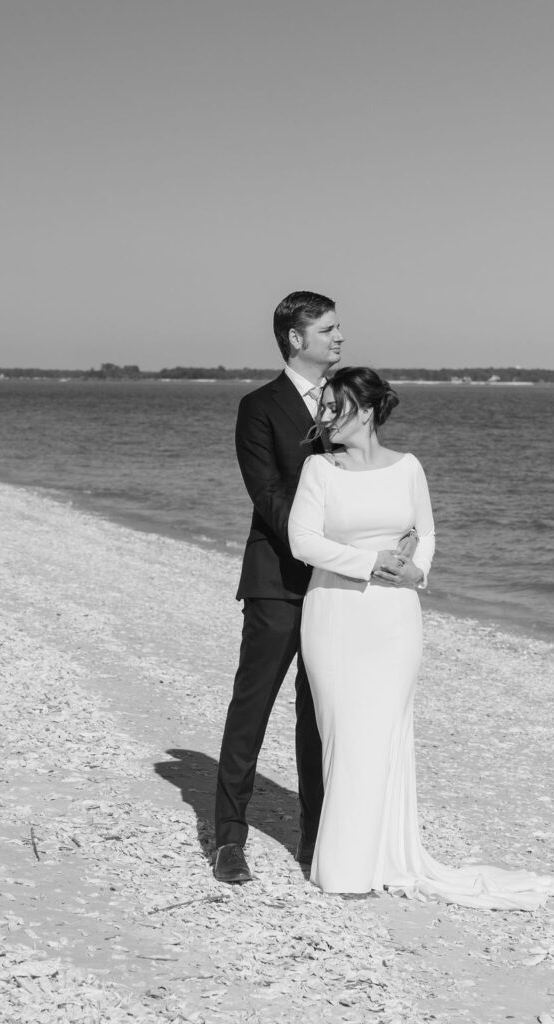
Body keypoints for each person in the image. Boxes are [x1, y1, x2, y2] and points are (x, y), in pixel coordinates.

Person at [288, 367, 554, 909]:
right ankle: (345, 869)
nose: (322, 417)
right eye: (321, 407)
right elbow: (303, 541)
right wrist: (370, 563)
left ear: (365, 411)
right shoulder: (318, 469)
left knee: (384, 735)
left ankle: (382, 859)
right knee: (345, 733)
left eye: (332, 407)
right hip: (336, 614)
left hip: (395, 618)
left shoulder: (408, 467)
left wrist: (418, 572)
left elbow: (428, 532)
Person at [213, 294, 416, 884]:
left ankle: (317, 837)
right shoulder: (258, 407)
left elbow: (373, 473)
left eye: (339, 327)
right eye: (328, 329)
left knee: (320, 713)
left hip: (341, 590)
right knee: (252, 705)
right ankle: (229, 838)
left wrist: (395, 540)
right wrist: (334, 546)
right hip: (279, 579)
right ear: (296, 338)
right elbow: (268, 495)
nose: (340, 337)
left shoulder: (347, 403)